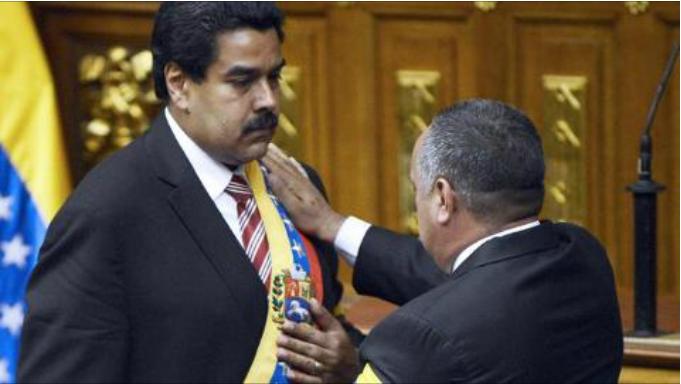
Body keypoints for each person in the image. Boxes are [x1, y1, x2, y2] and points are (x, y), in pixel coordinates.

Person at [18, 3, 360, 382]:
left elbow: (325, 327)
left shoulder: (297, 187)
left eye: (274, 77)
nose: (269, 100)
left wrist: (349, 362)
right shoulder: (107, 212)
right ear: (179, 85)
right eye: (242, 81)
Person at [264, 99, 624, 383]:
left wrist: (352, 372)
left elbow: (466, 304)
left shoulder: (417, 338)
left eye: (415, 190)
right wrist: (333, 225)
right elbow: (481, 285)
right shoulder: (583, 255)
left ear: (442, 198)